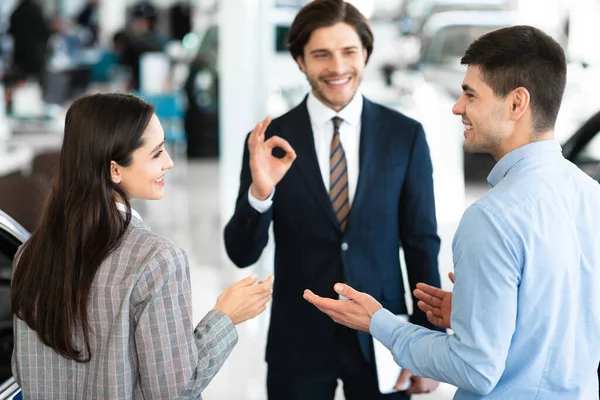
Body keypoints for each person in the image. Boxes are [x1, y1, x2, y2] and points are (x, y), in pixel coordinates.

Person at [304, 24, 600, 399]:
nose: (458, 107)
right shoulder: (591, 196)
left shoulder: (493, 218)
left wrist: (381, 324)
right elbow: (564, 319)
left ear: (516, 103)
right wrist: (475, 313)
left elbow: (475, 368)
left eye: (470, 95)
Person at [224, 0, 442, 398]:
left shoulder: (404, 135)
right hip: (299, 339)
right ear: (299, 61)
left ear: (366, 55)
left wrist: (427, 346)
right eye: (321, 54)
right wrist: (260, 193)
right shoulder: (270, 141)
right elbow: (240, 252)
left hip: (384, 334)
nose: (337, 67)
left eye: (348, 52)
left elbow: (421, 243)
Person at [11, 93, 274, 399]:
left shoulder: (28, 255)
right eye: (157, 154)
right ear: (114, 170)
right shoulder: (157, 261)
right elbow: (173, 391)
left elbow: (23, 371)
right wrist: (225, 316)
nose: (169, 162)